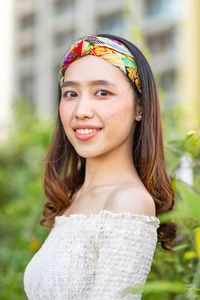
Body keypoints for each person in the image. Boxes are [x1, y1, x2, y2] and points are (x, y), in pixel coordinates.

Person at [23, 34, 176, 299]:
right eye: (70, 93)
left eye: (102, 93)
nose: (81, 110)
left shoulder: (129, 202)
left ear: (140, 107)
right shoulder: (75, 197)